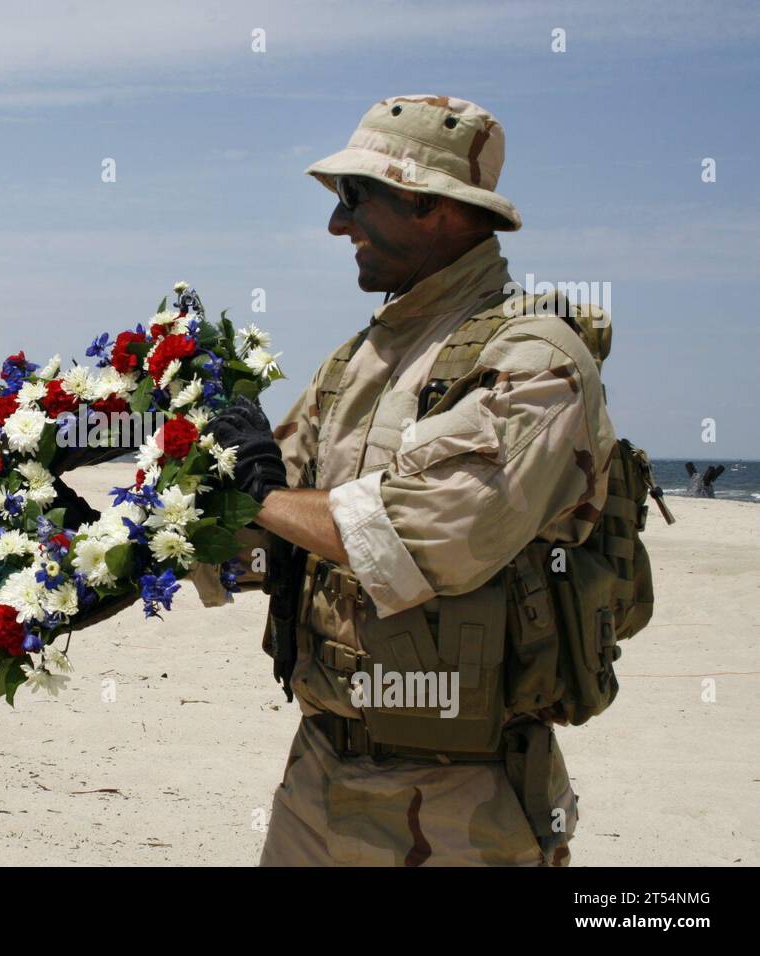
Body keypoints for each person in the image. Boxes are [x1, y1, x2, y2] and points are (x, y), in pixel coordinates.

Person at [206, 95, 618, 866]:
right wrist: (173, 500)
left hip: (467, 800)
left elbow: (425, 541)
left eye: (354, 199)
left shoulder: (535, 358)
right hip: (319, 774)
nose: (338, 226)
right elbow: (264, 545)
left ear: (429, 203)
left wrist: (258, 491)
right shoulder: (355, 361)